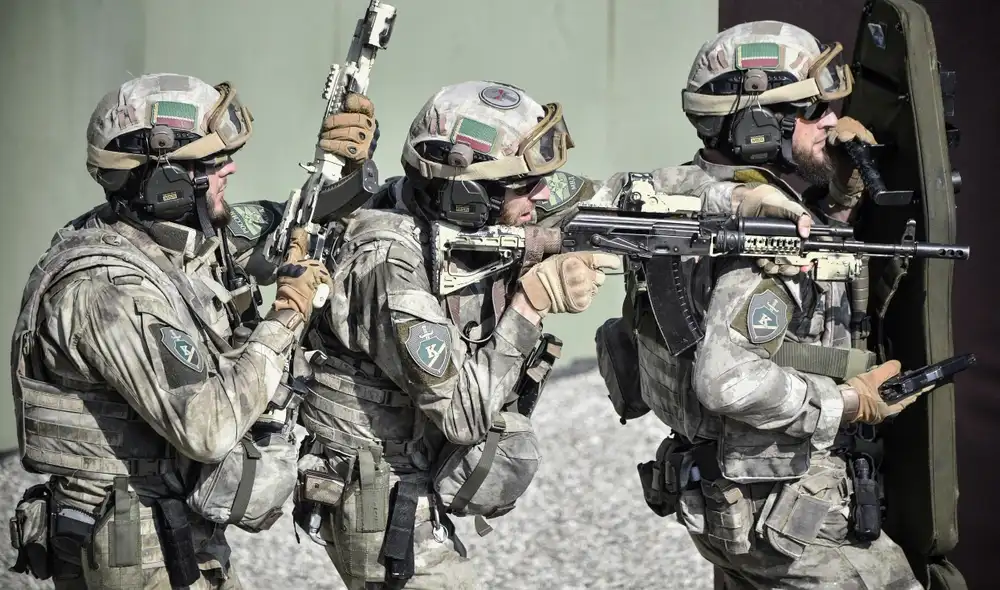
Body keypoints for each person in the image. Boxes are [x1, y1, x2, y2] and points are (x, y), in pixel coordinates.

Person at [6, 72, 371, 589]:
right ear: (164, 181)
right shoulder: (107, 288)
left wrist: (350, 171)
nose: (230, 168)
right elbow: (209, 427)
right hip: (133, 548)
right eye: (211, 162)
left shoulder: (165, 237)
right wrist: (286, 318)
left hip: (169, 531)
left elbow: (291, 224)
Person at [594, 21, 925, 589]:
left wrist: (836, 211)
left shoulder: (687, 197)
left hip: (731, 493)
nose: (831, 121)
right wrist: (846, 402)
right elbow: (727, 381)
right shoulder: (758, 239)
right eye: (812, 108)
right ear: (755, 124)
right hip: (781, 507)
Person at [289, 79, 619, 589]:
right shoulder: (389, 263)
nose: (544, 194)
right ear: (469, 195)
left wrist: (740, 200)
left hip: (412, 469)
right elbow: (463, 414)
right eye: (526, 187)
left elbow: (612, 200)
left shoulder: (439, 210)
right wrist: (532, 301)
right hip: (378, 491)